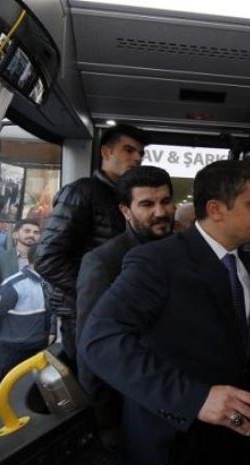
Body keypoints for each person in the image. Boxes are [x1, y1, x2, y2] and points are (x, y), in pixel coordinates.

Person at [79, 160, 250, 465]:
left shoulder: (247, 259)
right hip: (171, 445)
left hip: (229, 444)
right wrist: (195, 398)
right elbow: (99, 339)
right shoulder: (158, 262)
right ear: (216, 209)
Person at [75, 165, 175, 432]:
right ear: (125, 210)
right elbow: (91, 350)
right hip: (130, 410)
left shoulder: (183, 252)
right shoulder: (103, 262)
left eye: (165, 201)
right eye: (147, 204)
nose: (160, 212)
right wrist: (106, 425)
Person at [37, 124, 149, 361]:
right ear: (106, 153)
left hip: (114, 307)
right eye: (129, 150)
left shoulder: (125, 197)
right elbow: (47, 259)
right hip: (84, 311)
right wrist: (95, 291)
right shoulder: (81, 193)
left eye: (141, 153)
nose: (137, 158)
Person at [0, 244, 51, 377]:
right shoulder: (14, 285)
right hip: (14, 351)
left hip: (39, 346)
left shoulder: (44, 282)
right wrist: (8, 332)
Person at [0, 219, 41, 299]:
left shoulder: (45, 257)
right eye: (27, 231)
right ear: (15, 235)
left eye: (36, 232)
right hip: (10, 307)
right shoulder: (1, 258)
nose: (31, 235)